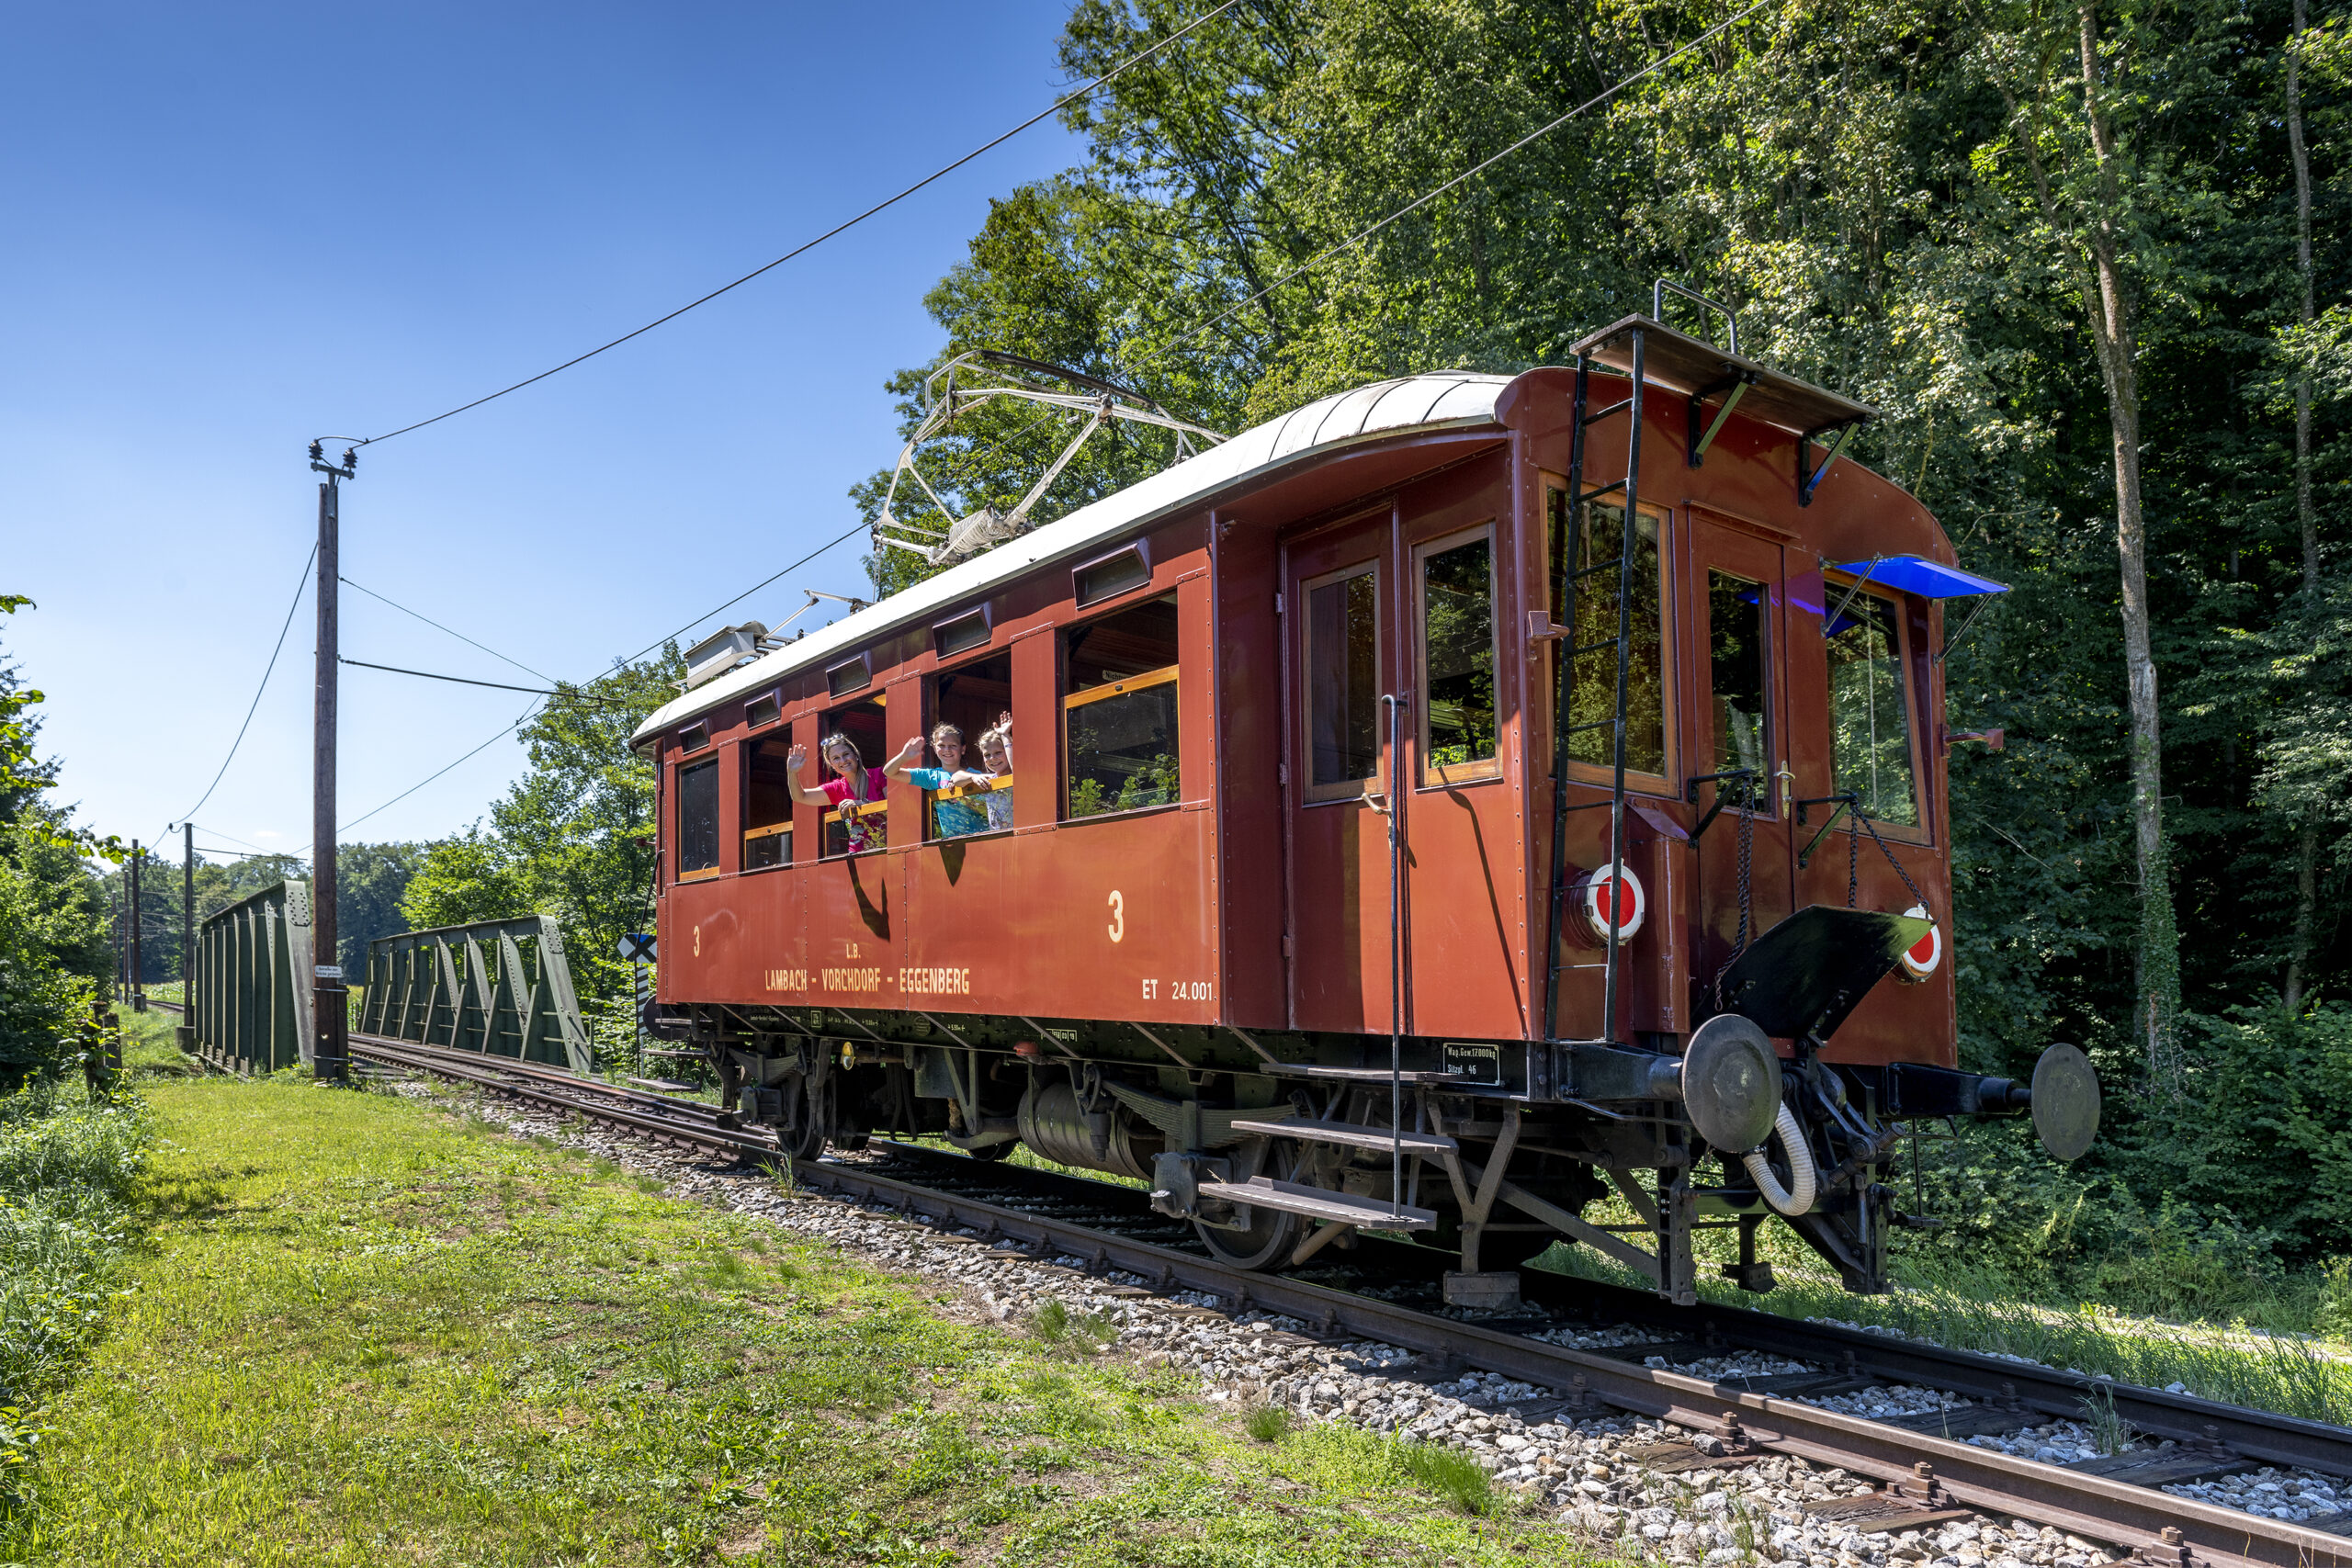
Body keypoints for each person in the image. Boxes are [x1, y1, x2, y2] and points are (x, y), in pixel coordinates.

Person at [787, 732, 893, 852]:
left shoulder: (879, 775)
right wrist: (792, 772)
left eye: (846, 754)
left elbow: (895, 807)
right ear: (832, 765)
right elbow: (800, 797)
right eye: (836, 758)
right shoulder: (837, 788)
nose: (843, 760)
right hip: (858, 854)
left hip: (889, 849)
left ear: (855, 755)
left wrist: (861, 804)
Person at [885, 722, 992, 838]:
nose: (947, 750)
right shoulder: (931, 776)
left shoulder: (975, 775)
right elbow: (889, 772)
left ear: (963, 749)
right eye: (941, 745)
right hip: (952, 841)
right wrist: (904, 756)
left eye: (953, 745)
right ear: (935, 748)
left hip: (981, 837)